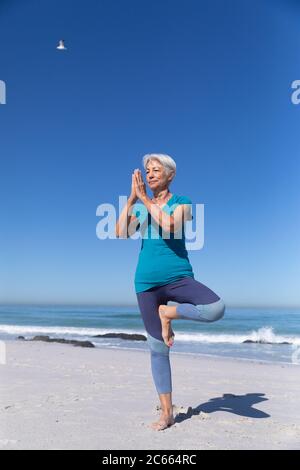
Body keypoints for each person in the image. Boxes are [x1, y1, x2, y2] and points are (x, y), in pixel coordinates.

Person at [115, 153, 225, 431]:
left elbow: (169, 225)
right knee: (157, 349)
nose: (150, 174)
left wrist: (145, 200)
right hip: (146, 284)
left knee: (216, 309)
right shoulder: (140, 207)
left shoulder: (183, 204)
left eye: (155, 170)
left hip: (178, 278)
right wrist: (131, 199)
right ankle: (167, 413)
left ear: (170, 175)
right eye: (147, 171)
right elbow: (120, 233)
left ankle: (169, 313)